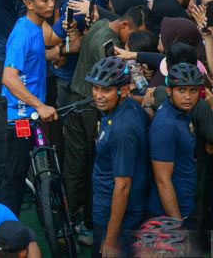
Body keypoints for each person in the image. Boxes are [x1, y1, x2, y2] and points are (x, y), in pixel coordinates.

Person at [0, 0, 58, 215]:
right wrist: (39, 105)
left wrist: (58, 52)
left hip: (33, 112)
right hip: (20, 117)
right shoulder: (22, 34)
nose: (51, 5)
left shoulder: (36, 27)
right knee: (13, 179)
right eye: (44, 1)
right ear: (29, 4)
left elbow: (33, 59)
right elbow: (9, 77)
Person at [85, 56, 149, 257]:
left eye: (106, 90)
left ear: (123, 90)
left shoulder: (122, 130)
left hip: (115, 215)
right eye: (96, 88)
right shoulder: (128, 107)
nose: (98, 95)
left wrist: (111, 240)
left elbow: (122, 186)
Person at [147, 62, 203, 220]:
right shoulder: (166, 125)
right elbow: (162, 180)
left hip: (184, 204)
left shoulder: (183, 113)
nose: (188, 96)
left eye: (193, 90)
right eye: (181, 90)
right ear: (169, 91)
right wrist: (177, 225)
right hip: (168, 215)